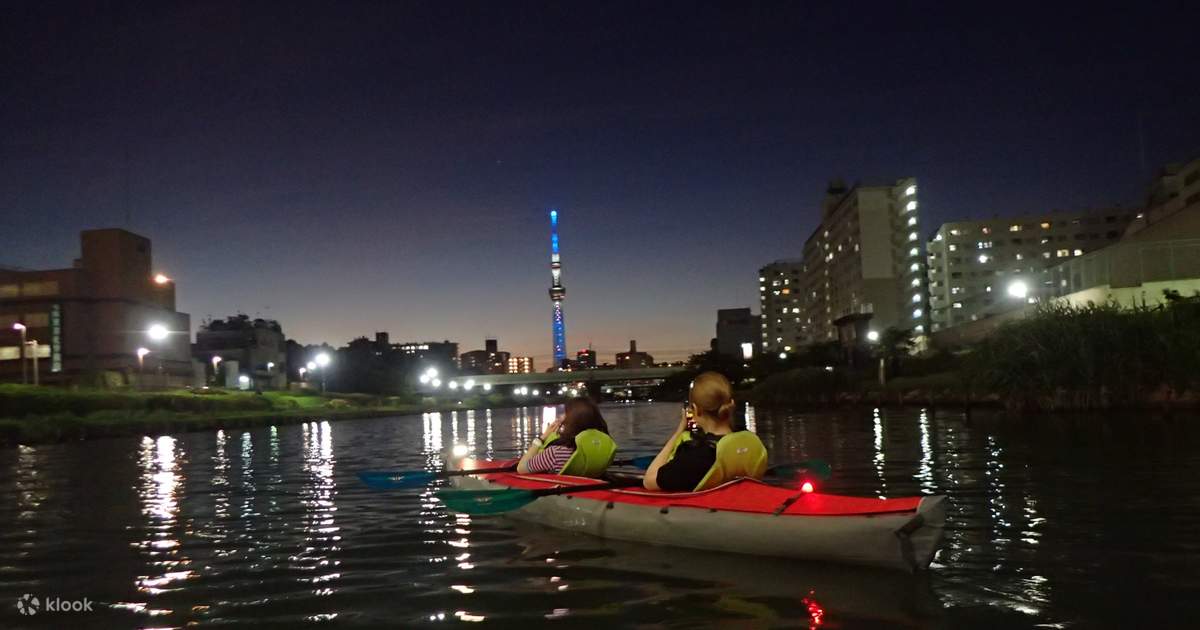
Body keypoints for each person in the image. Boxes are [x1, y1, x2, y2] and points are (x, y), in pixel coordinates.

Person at [643, 371, 768, 492]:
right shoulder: (751, 443)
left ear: (695, 409)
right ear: (731, 404)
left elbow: (649, 481)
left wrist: (679, 431)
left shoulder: (696, 457)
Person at [517, 397, 617, 477]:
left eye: (565, 413)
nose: (562, 417)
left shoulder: (555, 453)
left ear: (572, 420)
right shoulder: (605, 448)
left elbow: (521, 469)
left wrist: (542, 438)